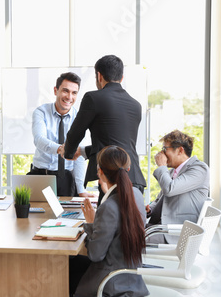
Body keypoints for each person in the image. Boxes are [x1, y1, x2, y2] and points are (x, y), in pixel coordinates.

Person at [69, 146, 148, 297]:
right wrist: (107, 195)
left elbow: (95, 255)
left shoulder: (109, 207)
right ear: (128, 169)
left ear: (100, 172)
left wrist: (91, 222)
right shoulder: (136, 194)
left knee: (63, 270)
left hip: (112, 280)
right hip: (130, 274)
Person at [62, 55, 146, 198]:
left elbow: (76, 133)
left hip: (112, 178)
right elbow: (118, 143)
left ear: (99, 76)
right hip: (134, 178)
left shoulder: (93, 98)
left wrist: (68, 153)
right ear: (122, 77)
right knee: (129, 220)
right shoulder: (136, 105)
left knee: (106, 219)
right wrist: (82, 151)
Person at [28, 72, 95, 197]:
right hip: (41, 176)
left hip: (66, 179)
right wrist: (61, 149)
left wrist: (81, 190)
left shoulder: (79, 117)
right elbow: (39, 139)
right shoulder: (41, 112)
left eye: (74, 93)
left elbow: (79, 155)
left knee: (68, 215)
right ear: (55, 90)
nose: (69, 97)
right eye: (65, 91)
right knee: (35, 215)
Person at [146, 130, 210, 244]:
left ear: (180, 150)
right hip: (161, 228)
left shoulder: (199, 169)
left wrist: (161, 166)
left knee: (127, 239)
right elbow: (161, 198)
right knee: (122, 230)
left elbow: (170, 189)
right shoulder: (172, 172)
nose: (162, 153)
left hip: (177, 234)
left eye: (165, 149)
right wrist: (150, 209)